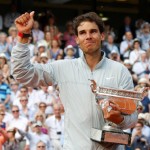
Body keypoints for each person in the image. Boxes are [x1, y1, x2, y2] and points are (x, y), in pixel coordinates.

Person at [12, 11, 138, 150]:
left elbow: (132, 118)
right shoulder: (63, 68)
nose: (88, 36)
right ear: (77, 39)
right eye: (82, 33)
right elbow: (22, 73)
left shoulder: (120, 71)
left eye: (93, 31)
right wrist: (23, 36)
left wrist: (119, 119)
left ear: (102, 35)